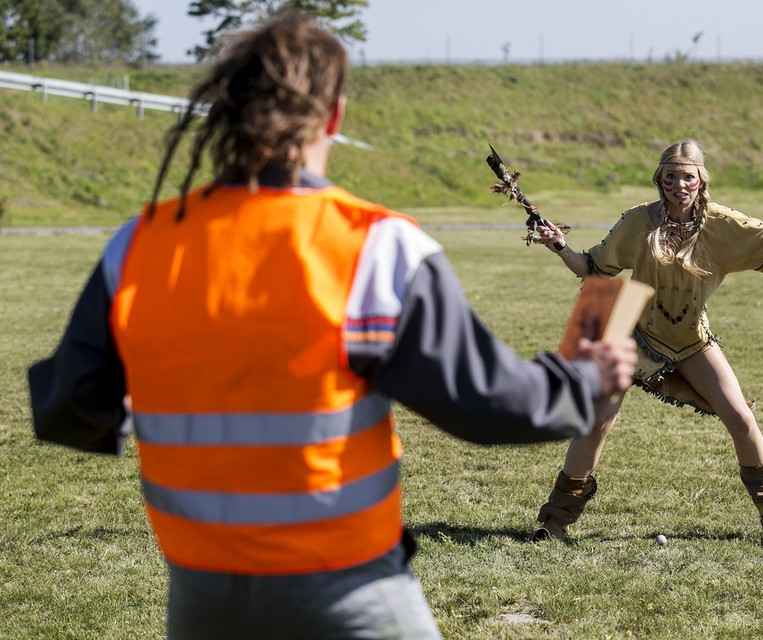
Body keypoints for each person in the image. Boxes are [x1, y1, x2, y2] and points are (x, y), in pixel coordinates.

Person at [26, 13, 638, 640]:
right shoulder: (374, 248)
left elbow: (70, 409)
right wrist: (581, 378)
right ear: (336, 116)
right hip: (347, 591)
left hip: (201, 597)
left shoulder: (138, 246)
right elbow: (488, 407)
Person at [531, 139, 763, 545]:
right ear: (659, 179)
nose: (680, 184)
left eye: (688, 177)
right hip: (633, 331)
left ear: (700, 181)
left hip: (690, 336)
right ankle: (555, 519)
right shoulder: (637, 222)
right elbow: (593, 267)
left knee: (740, 418)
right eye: (671, 176)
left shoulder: (720, 224)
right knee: (596, 423)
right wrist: (558, 246)